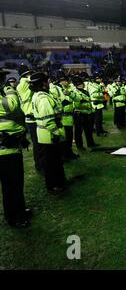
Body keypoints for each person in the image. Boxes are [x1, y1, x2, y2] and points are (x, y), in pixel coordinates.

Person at [0, 69, 31, 227]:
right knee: (10, 184)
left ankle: (19, 211)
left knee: (16, 183)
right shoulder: (6, 94)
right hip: (4, 149)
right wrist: (10, 90)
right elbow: (12, 107)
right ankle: (14, 217)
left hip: (11, 145)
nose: (4, 80)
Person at [29, 72, 68, 193]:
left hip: (44, 135)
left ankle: (59, 182)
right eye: (47, 81)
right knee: (52, 162)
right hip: (49, 135)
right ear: (43, 83)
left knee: (53, 161)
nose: (49, 83)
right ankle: (54, 185)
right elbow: (48, 119)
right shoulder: (43, 98)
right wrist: (56, 133)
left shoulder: (38, 95)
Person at [16, 70, 41, 172]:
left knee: (38, 143)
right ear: (25, 75)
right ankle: (39, 165)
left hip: (30, 117)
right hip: (31, 118)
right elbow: (30, 79)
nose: (31, 75)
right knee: (37, 144)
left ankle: (40, 163)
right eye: (29, 73)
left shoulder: (23, 84)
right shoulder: (23, 83)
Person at [72, 75, 98, 150]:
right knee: (78, 132)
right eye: (81, 83)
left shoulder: (85, 91)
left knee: (88, 130)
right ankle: (79, 146)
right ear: (78, 84)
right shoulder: (74, 92)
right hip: (79, 114)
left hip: (87, 113)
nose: (83, 84)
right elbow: (77, 105)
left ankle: (91, 143)